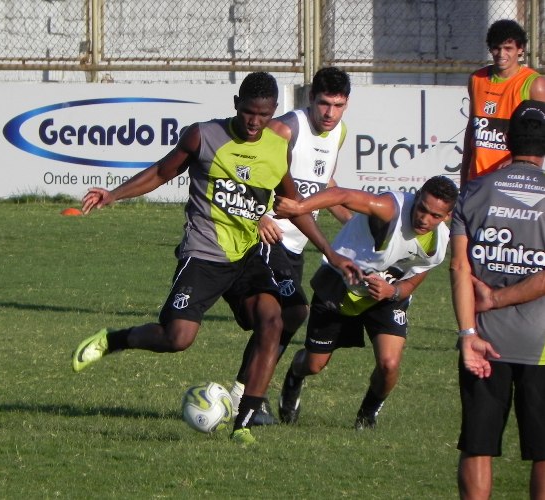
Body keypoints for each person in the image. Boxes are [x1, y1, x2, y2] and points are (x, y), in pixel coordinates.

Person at [70, 72, 359, 446]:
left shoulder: (276, 147)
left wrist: (331, 251)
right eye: (249, 112)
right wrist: (113, 195)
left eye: (264, 114)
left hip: (248, 256)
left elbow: (292, 205)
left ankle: (245, 421)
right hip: (204, 253)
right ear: (236, 102)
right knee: (178, 338)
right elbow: (161, 171)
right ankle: (116, 340)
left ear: (273, 111)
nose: (255, 122)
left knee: (275, 320)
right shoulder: (203, 135)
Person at [274, 175, 459, 428]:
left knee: (389, 364)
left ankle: (367, 415)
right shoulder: (390, 209)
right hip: (340, 284)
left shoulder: (440, 242)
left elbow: (415, 277)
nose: (424, 219)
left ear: (447, 217)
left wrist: (391, 292)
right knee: (314, 364)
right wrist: (299, 207)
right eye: (422, 209)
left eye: (435, 216)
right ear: (416, 199)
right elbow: (343, 195)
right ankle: (295, 376)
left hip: (384, 297)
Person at [228, 67, 354, 425]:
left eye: (338, 105)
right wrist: (257, 216)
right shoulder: (286, 128)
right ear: (310, 99)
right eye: (324, 104)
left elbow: (322, 182)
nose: (330, 113)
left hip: (296, 242)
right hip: (268, 237)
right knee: (289, 313)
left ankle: (247, 394)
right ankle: (246, 397)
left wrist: (353, 221)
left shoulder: (339, 133)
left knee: (290, 315)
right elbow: (245, 167)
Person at [450, 100, 545, 499]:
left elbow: (458, 268)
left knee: (478, 442)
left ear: (506, 140)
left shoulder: (473, 191)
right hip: (541, 343)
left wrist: (468, 329)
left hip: (483, 342)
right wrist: (504, 298)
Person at [460, 19, 545, 186]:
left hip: (512, 181)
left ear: (520, 50)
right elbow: (472, 129)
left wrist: (516, 161)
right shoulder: (476, 79)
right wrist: (464, 176)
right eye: (496, 48)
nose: (501, 54)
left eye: (508, 48)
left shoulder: (535, 84)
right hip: (478, 180)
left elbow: (541, 136)